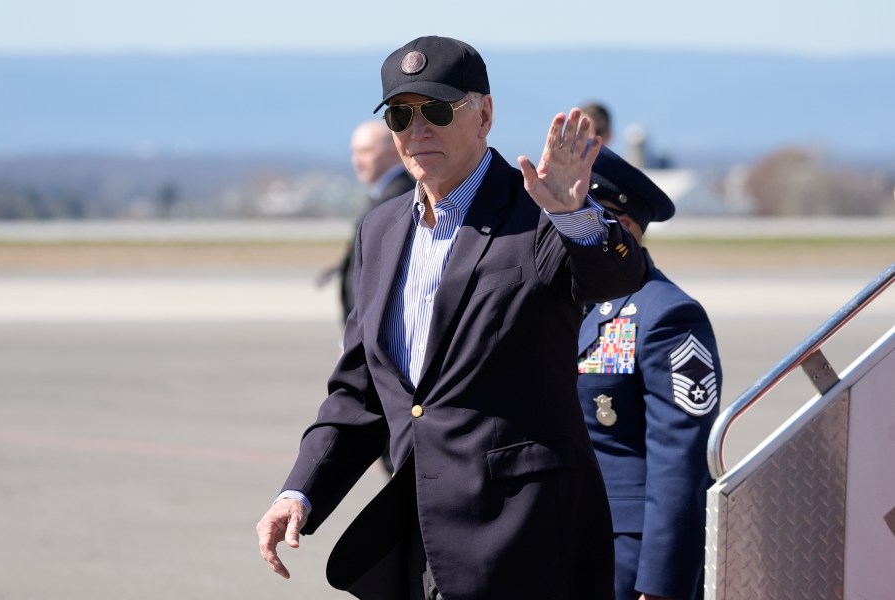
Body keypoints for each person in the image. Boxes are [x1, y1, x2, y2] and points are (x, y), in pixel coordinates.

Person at [256, 35, 647, 600]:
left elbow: (618, 277)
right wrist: (300, 492)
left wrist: (574, 215)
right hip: (421, 543)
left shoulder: (536, 211)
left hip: (527, 537)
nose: (418, 130)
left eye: (437, 110)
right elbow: (361, 391)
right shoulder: (380, 231)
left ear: (484, 114)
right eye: (401, 113)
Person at [577, 146, 722, 600]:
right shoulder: (565, 303)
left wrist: (662, 585)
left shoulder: (666, 314)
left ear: (618, 227)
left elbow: (681, 464)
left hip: (626, 556)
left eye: (575, 217)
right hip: (559, 539)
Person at [321, 120, 415, 325]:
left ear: (394, 149)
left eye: (365, 151)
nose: (357, 160)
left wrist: (358, 337)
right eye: (353, 152)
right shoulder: (385, 194)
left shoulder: (398, 198)